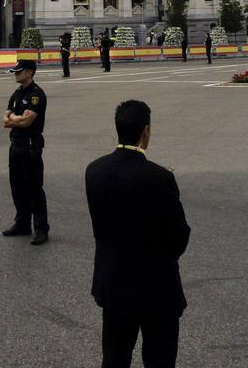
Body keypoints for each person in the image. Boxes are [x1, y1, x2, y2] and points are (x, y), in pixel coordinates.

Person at [85, 99, 191, 368]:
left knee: (115, 358)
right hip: (156, 287)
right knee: (159, 359)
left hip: (114, 282)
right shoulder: (159, 178)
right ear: (145, 132)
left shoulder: (94, 170)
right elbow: (179, 237)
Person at [2, 58, 49, 245]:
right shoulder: (16, 94)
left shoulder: (36, 95)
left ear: (29, 73)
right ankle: (22, 222)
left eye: (19, 71)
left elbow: (27, 122)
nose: (16, 73)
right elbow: (5, 120)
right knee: (17, 186)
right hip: (16, 144)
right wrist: (16, 118)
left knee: (34, 187)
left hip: (31, 145)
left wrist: (15, 119)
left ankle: (41, 228)